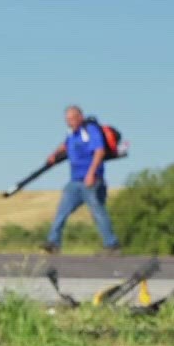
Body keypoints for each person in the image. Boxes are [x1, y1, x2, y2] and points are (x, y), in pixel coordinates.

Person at [43, 105, 121, 255]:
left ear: (80, 117)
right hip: (75, 180)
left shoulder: (90, 130)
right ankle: (53, 242)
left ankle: (112, 245)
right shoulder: (72, 133)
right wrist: (54, 154)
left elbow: (99, 151)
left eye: (72, 118)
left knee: (98, 212)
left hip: (91, 180)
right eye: (67, 119)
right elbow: (65, 145)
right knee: (62, 211)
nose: (69, 122)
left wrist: (91, 174)